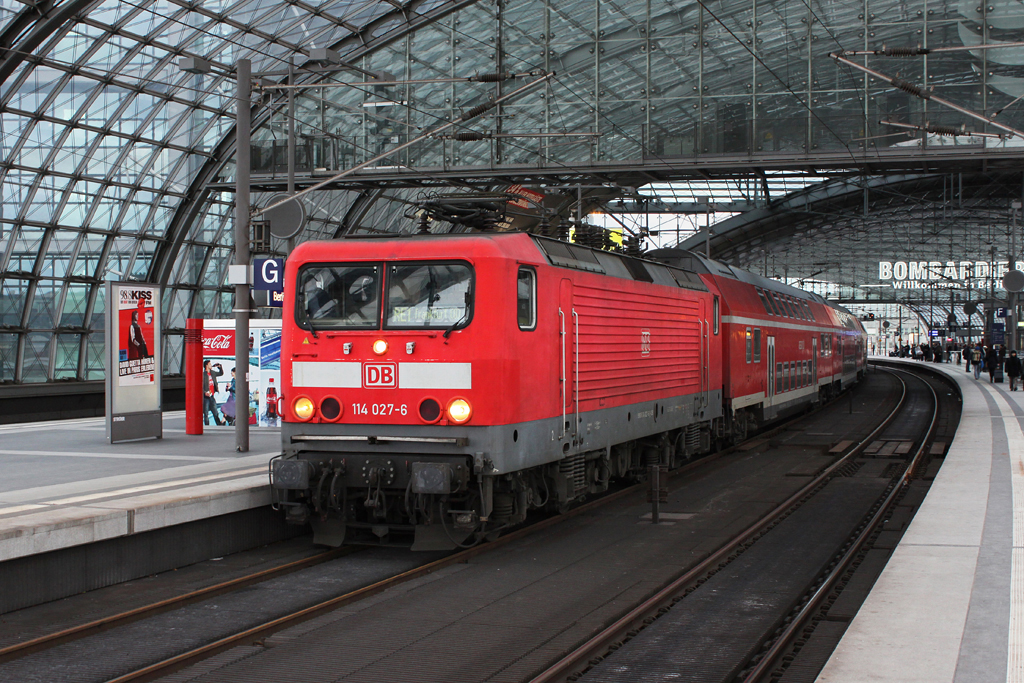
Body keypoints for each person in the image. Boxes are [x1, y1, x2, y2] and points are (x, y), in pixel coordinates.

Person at [203, 359, 225, 426]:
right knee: (206, 413)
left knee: (215, 412)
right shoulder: (203, 374)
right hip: (205, 397)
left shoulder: (212, 373)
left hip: (212, 395)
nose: (211, 365)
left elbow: (221, 373)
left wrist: (220, 367)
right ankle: (207, 426)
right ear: (206, 365)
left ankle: (219, 424)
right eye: (209, 364)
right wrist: (204, 392)